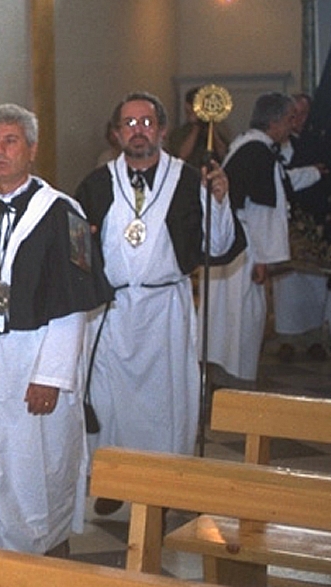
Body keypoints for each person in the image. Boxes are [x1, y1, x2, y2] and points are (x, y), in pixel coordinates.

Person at [0, 104, 109, 554]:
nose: (0, 151)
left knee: (33, 466)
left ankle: (36, 562)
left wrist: (50, 376)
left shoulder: (62, 213)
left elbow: (73, 305)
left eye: (10, 141)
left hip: (37, 356)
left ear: (31, 149)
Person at [74, 93, 237, 512]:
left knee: (165, 401)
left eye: (146, 122)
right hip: (112, 311)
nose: (138, 130)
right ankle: (114, 479)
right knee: (108, 397)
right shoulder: (95, 185)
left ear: (163, 130)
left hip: (165, 307)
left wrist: (218, 199)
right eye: (128, 123)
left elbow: (217, 246)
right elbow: (76, 250)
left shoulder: (188, 179)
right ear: (115, 133)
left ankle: (162, 483)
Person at [205, 92, 307, 386]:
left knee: (229, 314)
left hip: (234, 240)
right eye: (289, 119)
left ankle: (226, 374)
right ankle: (235, 380)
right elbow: (261, 209)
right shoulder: (258, 153)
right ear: (274, 121)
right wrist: (264, 259)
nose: (293, 125)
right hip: (245, 245)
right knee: (242, 315)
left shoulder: (246, 146)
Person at [272, 93, 331, 348]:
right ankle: (287, 341)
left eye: (303, 114)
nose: (298, 120)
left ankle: (315, 338)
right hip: (286, 224)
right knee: (287, 286)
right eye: (293, 115)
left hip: (314, 223)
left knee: (315, 284)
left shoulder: (319, 144)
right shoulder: (272, 145)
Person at [167, 87, 233, 171]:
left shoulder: (220, 129)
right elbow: (181, 156)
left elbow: (224, 155)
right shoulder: (180, 133)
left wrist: (211, 128)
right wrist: (196, 126)